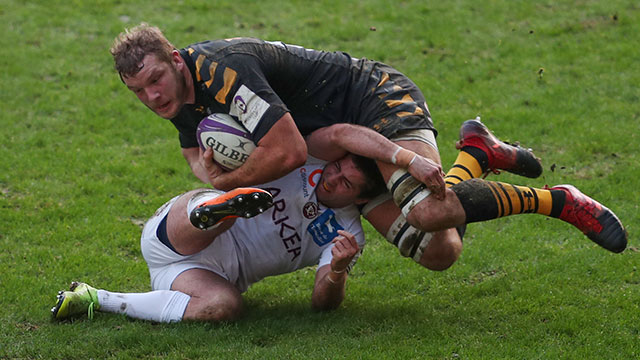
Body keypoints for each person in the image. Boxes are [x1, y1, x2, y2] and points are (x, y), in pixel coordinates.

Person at [109, 24, 625, 272]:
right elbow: (193, 159)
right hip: (338, 146)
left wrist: (224, 180)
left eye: (156, 80)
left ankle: (558, 200)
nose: (152, 97)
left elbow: (286, 153)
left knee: (426, 211)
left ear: (176, 59)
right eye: (138, 93)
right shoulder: (178, 98)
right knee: (439, 251)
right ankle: (477, 154)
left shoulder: (224, 71)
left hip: (375, 100)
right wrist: (213, 171)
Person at [51, 153, 387, 322]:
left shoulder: (347, 235)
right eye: (336, 168)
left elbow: (321, 305)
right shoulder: (301, 159)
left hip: (194, 276)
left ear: (360, 199)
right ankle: (218, 207)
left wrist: (339, 270)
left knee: (223, 307)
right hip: (175, 231)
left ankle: (96, 298)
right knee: (227, 216)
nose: (331, 179)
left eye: (346, 183)